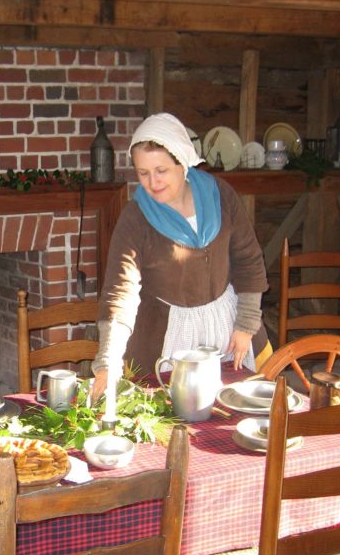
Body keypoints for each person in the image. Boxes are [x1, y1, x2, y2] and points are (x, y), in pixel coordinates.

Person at [90, 113, 272, 400]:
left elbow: (248, 259)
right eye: (142, 173)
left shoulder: (220, 195)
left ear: (182, 162)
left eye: (161, 170)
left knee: (236, 414)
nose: (152, 182)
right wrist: (108, 361)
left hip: (229, 328)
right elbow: (119, 291)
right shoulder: (136, 218)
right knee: (172, 419)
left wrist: (246, 323)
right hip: (165, 340)